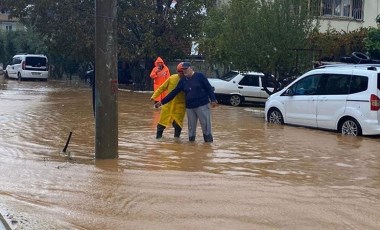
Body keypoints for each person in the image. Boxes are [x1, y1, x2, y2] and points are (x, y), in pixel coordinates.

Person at [155, 62, 218, 143]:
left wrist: (213, 99)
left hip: (202, 105)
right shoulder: (183, 81)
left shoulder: (200, 76)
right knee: (191, 128)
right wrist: (161, 102)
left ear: (191, 68)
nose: (184, 71)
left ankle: (208, 144)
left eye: (186, 69)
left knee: (205, 125)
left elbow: (209, 88)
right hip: (190, 107)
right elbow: (173, 92)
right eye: (182, 69)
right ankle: (192, 145)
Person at [151, 62, 186, 139]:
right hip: (168, 105)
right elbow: (162, 88)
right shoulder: (172, 78)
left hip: (179, 106)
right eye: (179, 72)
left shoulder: (188, 80)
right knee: (161, 123)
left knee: (178, 125)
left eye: (183, 72)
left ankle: (176, 141)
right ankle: (158, 139)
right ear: (177, 71)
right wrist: (154, 96)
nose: (181, 74)